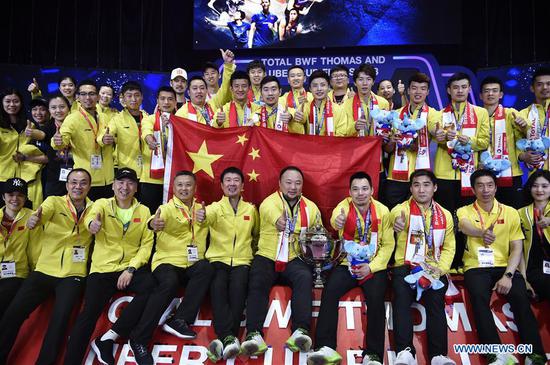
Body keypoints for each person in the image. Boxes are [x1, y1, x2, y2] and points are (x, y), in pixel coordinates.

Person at [91, 171, 213, 365]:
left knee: (207, 268)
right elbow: (153, 222)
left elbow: (211, 218)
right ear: (173, 188)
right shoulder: (164, 209)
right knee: (168, 282)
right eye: (180, 185)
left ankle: (179, 320)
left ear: (195, 188)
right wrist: (153, 224)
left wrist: (205, 218)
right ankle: (139, 338)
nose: (184, 188)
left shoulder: (202, 209)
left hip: (192, 264)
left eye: (188, 185)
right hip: (167, 262)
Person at [0, 169, 93, 365]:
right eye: (74, 182)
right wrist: (35, 220)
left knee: (59, 322)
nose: (78, 186)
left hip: (73, 274)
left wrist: (94, 226)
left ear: (89, 187)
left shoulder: (94, 208)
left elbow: (95, 220)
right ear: (67, 185)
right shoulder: (53, 201)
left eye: (83, 182)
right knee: (13, 314)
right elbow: (42, 214)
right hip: (43, 270)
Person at [63, 168, 154, 365]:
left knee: (153, 287)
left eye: (130, 183)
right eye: (120, 182)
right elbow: (91, 218)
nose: (125, 187)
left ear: (136, 188)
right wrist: (91, 225)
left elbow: (146, 245)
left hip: (128, 269)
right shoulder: (101, 205)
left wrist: (131, 268)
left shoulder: (144, 211)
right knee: (88, 315)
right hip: (102, 270)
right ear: (113, 185)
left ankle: (109, 337)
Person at [457, 169, 546, 365]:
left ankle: (535, 354)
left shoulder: (511, 212)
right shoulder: (464, 211)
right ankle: (495, 354)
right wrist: (481, 233)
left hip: (505, 266)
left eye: (489, 185)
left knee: (521, 297)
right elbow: (464, 226)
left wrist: (508, 275)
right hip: (476, 266)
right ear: (473, 189)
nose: (485, 190)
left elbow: (516, 248)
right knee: (479, 299)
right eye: (480, 186)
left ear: (496, 188)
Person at [308, 171, 394, 365]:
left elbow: (388, 245)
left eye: (365, 189)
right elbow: (335, 219)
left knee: (376, 298)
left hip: (372, 265)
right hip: (348, 264)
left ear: (372, 190)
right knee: (330, 291)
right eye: (355, 189)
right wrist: (336, 222)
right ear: (350, 192)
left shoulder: (382, 211)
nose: (360, 193)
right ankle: (325, 347)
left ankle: (373, 355)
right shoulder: (344, 207)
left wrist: (371, 268)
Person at [241, 166, 322, 357]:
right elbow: (269, 213)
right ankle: (253, 334)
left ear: (302, 185)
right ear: (279, 184)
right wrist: (279, 221)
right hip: (268, 256)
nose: (293, 187)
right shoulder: (269, 202)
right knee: (257, 279)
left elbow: (318, 233)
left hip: (294, 257)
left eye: (297, 183)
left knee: (304, 277)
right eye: (288, 182)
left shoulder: (311, 207)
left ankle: (301, 331)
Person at [390, 170, 456, 365]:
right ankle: (405, 352)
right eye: (416, 185)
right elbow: (390, 228)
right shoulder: (399, 210)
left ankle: (439, 355)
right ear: (410, 188)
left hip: (433, 268)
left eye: (426, 184)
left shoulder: (445, 215)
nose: (421, 189)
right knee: (401, 299)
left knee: (436, 301)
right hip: (405, 265)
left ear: (434, 188)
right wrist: (396, 226)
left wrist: (440, 270)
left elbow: (450, 246)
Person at [204, 167, 259, 362]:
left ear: (242, 185)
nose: (232, 184)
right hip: (218, 260)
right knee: (218, 288)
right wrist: (201, 217)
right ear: (221, 185)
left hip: (242, 261)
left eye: (236, 180)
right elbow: (202, 220)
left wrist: (250, 254)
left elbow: (256, 235)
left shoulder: (251, 209)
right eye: (228, 180)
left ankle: (226, 339)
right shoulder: (213, 208)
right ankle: (229, 337)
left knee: (237, 290)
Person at [433, 72, 489, 213]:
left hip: (469, 172)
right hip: (444, 173)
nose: (460, 91)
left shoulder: (481, 112)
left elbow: (484, 142)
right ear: (449, 90)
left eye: (464, 87)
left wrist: (469, 141)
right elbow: (436, 139)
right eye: (456, 87)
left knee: (468, 216)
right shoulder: (439, 114)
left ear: (469, 88)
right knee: (446, 216)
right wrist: (443, 138)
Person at [384, 73, 441, 209]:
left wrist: (437, 132)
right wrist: (392, 140)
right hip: (396, 177)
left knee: (419, 217)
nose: (418, 92)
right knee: (394, 217)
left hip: (420, 178)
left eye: (422, 88)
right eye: (414, 88)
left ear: (427, 92)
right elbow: (387, 149)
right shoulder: (396, 114)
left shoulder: (433, 113)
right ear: (408, 90)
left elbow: (434, 128)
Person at [52, 79, 115, 201]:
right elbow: (62, 140)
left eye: (91, 94)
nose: (88, 97)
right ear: (78, 97)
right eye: (83, 94)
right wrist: (57, 141)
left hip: (109, 178)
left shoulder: (105, 116)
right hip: (85, 179)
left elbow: (105, 134)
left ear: (97, 96)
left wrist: (107, 138)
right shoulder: (72, 118)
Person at [479, 76, 527, 208]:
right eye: (486, 91)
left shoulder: (510, 113)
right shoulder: (475, 116)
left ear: (501, 94)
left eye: (494, 90)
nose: (490, 94)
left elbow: (526, 135)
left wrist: (524, 126)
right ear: (480, 96)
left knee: (513, 215)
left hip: (509, 174)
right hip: (484, 174)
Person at [99, 81, 149, 184]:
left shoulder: (147, 117)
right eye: (129, 96)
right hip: (127, 170)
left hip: (147, 171)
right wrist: (104, 139)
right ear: (123, 98)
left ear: (142, 97)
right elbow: (103, 135)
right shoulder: (117, 119)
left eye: (136, 95)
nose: (133, 99)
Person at [0, 178, 36, 318]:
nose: (15, 199)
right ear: (3, 196)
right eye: (11, 194)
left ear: (26, 198)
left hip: (17, 274)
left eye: (20, 195)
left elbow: (35, 249)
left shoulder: (32, 217)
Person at [141, 86, 178, 213]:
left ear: (175, 101)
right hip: (151, 178)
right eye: (162, 99)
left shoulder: (181, 122)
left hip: (173, 178)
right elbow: (145, 131)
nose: (166, 102)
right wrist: (149, 139)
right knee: (150, 215)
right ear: (157, 100)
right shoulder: (149, 119)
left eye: (170, 99)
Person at [175, 49, 236, 125]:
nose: (199, 91)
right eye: (194, 88)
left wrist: (228, 65)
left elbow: (226, 86)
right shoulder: (181, 113)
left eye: (202, 88)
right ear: (189, 93)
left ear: (206, 91)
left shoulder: (214, 103)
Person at [519, 170, 550, 302]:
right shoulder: (520, 213)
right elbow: (518, 249)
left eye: (544, 186)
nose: (539, 190)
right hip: (534, 268)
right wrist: (523, 279)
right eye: (535, 186)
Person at [294, 70, 352, 136]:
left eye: (323, 85)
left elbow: (341, 135)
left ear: (328, 87)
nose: (319, 89)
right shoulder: (305, 107)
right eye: (315, 86)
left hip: (332, 145)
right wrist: (299, 119)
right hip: (310, 145)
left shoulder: (338, 109)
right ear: (310, 88)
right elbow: (298, 130)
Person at [518, 67, 550, 171]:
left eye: (548, 84)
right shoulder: (523, 114)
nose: (545, 87)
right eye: (539, 84)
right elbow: (513, 144)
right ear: (532, 88)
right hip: (537, 174)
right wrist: (522, 156)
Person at [0, 90, 28, 204]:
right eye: (8, 101)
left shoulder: (29, 125)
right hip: (2, 176)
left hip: (25, 178)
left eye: (16, 101)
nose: (12, 105)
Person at [43, 95, 74, 197]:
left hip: (76, 174)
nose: (58, 110)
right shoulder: (46, 129)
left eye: (62, 107)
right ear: (49, 110)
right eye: (53, 107)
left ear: (68, 108)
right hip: (54, 177)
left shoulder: (76, 125)